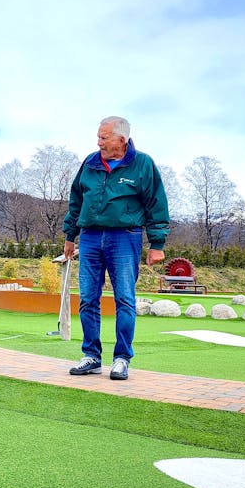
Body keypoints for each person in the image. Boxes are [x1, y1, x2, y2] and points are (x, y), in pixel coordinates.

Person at [61, 116, 169, 380]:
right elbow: (76, 198)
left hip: (125, 237)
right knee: (88, 298)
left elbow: (157, 203)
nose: (98, 142)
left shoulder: (142, 164)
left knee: (124, 299)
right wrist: (69, 235)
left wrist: (157, 244)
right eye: (98, 136)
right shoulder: (90, 162)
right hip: (89, 236)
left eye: (104, 137)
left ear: (121, 139)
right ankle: (91, 356)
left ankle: (122, 358)